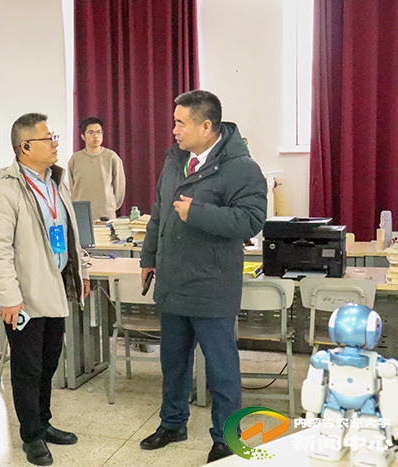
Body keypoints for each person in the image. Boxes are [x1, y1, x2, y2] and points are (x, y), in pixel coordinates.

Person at [139, 90, 267, 463]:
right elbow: (159, 213)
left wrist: (197, 212)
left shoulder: (242, 168)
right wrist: (149, 256)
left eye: (181, 123)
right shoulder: (174, 161)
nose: (174, 130)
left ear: (206, 126)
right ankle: (172, 424)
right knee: (173, 363)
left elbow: (251, 220)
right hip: (174, 281)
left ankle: (227, 438)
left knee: (221, 369)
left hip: (212, 284)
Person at [0, 113, 90, 466]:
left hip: (54, 288)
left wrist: (81, 270)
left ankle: (43, 423)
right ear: (25, 146)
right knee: (27, 369)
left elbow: (69, 234)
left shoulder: (56, 182)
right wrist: (9, 298)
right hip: (25, 296)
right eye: (49, 137)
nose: (56, 143)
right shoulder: (4, 192)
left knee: (48, 363)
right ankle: (31, 437)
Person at [68, 116, 125, 220]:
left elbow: (119, 189)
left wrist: (111, 206)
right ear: (83, 136)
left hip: (106, 215)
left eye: (99, 132)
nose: (96, 136)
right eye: (91, 133)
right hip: (81, 215)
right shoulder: (75, 159)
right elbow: (71, 186)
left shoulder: (111, 157)